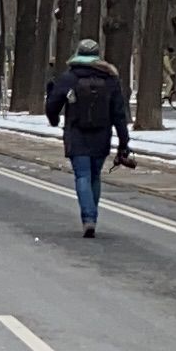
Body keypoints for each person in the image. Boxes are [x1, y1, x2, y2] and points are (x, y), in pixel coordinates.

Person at [55, 43, 133, 237]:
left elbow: (53, 102)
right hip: (101, 134)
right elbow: (119, 114)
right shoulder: (110, 79)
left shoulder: (69, 77)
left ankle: (88, 218)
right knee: (95, 175)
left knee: (82, 175)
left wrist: (53, 118)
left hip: (76, 133)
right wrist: (123, 142)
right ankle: (92, 217)